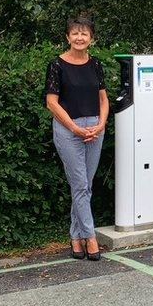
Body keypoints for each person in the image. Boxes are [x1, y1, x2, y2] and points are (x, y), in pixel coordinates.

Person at [44, 17, 109, 260]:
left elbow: (103, 99)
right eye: (75, 33)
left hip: (94, 128)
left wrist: (101, 124)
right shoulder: (57, 65)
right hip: (68, 129)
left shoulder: (95, 64)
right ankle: (90, 238)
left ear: (92, 39)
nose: (80, 37)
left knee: (85, 186)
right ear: (67, 37)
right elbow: (51, 103)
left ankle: (75, 236)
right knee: (80, 185)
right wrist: (74, 127)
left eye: (84, 34)